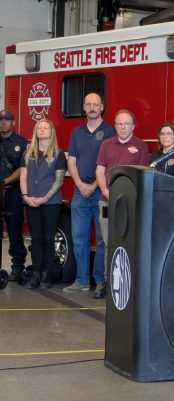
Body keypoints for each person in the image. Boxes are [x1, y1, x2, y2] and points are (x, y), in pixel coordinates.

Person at [63, 93, 115, 298]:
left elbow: (107, 164)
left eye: (96, 104)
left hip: (101, 192)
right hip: (79, 191)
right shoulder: (77, 132)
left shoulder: (109, 131)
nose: (92, 108)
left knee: (103, 240)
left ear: (102, 107)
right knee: (79, 239)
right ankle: (82, 281)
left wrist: (94, 185)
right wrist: (79, 184)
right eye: (88, 104)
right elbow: (71, 162)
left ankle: (100, 281)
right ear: (84, 107)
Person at [95, 109, 150, 296]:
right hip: (107, 202)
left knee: (129, 244)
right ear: (115, 126)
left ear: (133, 126)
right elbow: (100, 171)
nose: (123, 127)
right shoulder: (106, 145)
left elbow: (143, 173)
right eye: (119, 123)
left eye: (127, 123)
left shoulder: (141, 146)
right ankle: (107, 284)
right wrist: (105, 191)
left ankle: (127, 285)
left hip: (130, 204)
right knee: (108, 243)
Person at [20, 119, 67, 289]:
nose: (42, 130)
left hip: (50, 203)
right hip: (31, 202)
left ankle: (47, 274)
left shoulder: (58, 154)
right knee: (36, 239)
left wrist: (45, 198)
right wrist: (25, 196)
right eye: (39, 127)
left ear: (51, 131)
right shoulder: (28, 153)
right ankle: (36, 274)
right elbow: (23, 176)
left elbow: (59, 180)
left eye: (45, 127)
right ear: (35, 131)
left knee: (48, 239)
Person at [0, 109, 28, 281]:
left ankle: (17, 268)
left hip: (13, 193)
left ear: (13, 122)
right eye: (1, 119)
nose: (3, 122)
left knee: (14, 231)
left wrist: (5, 181)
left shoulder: (21, 143)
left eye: (7, 120)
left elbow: (23, 168)